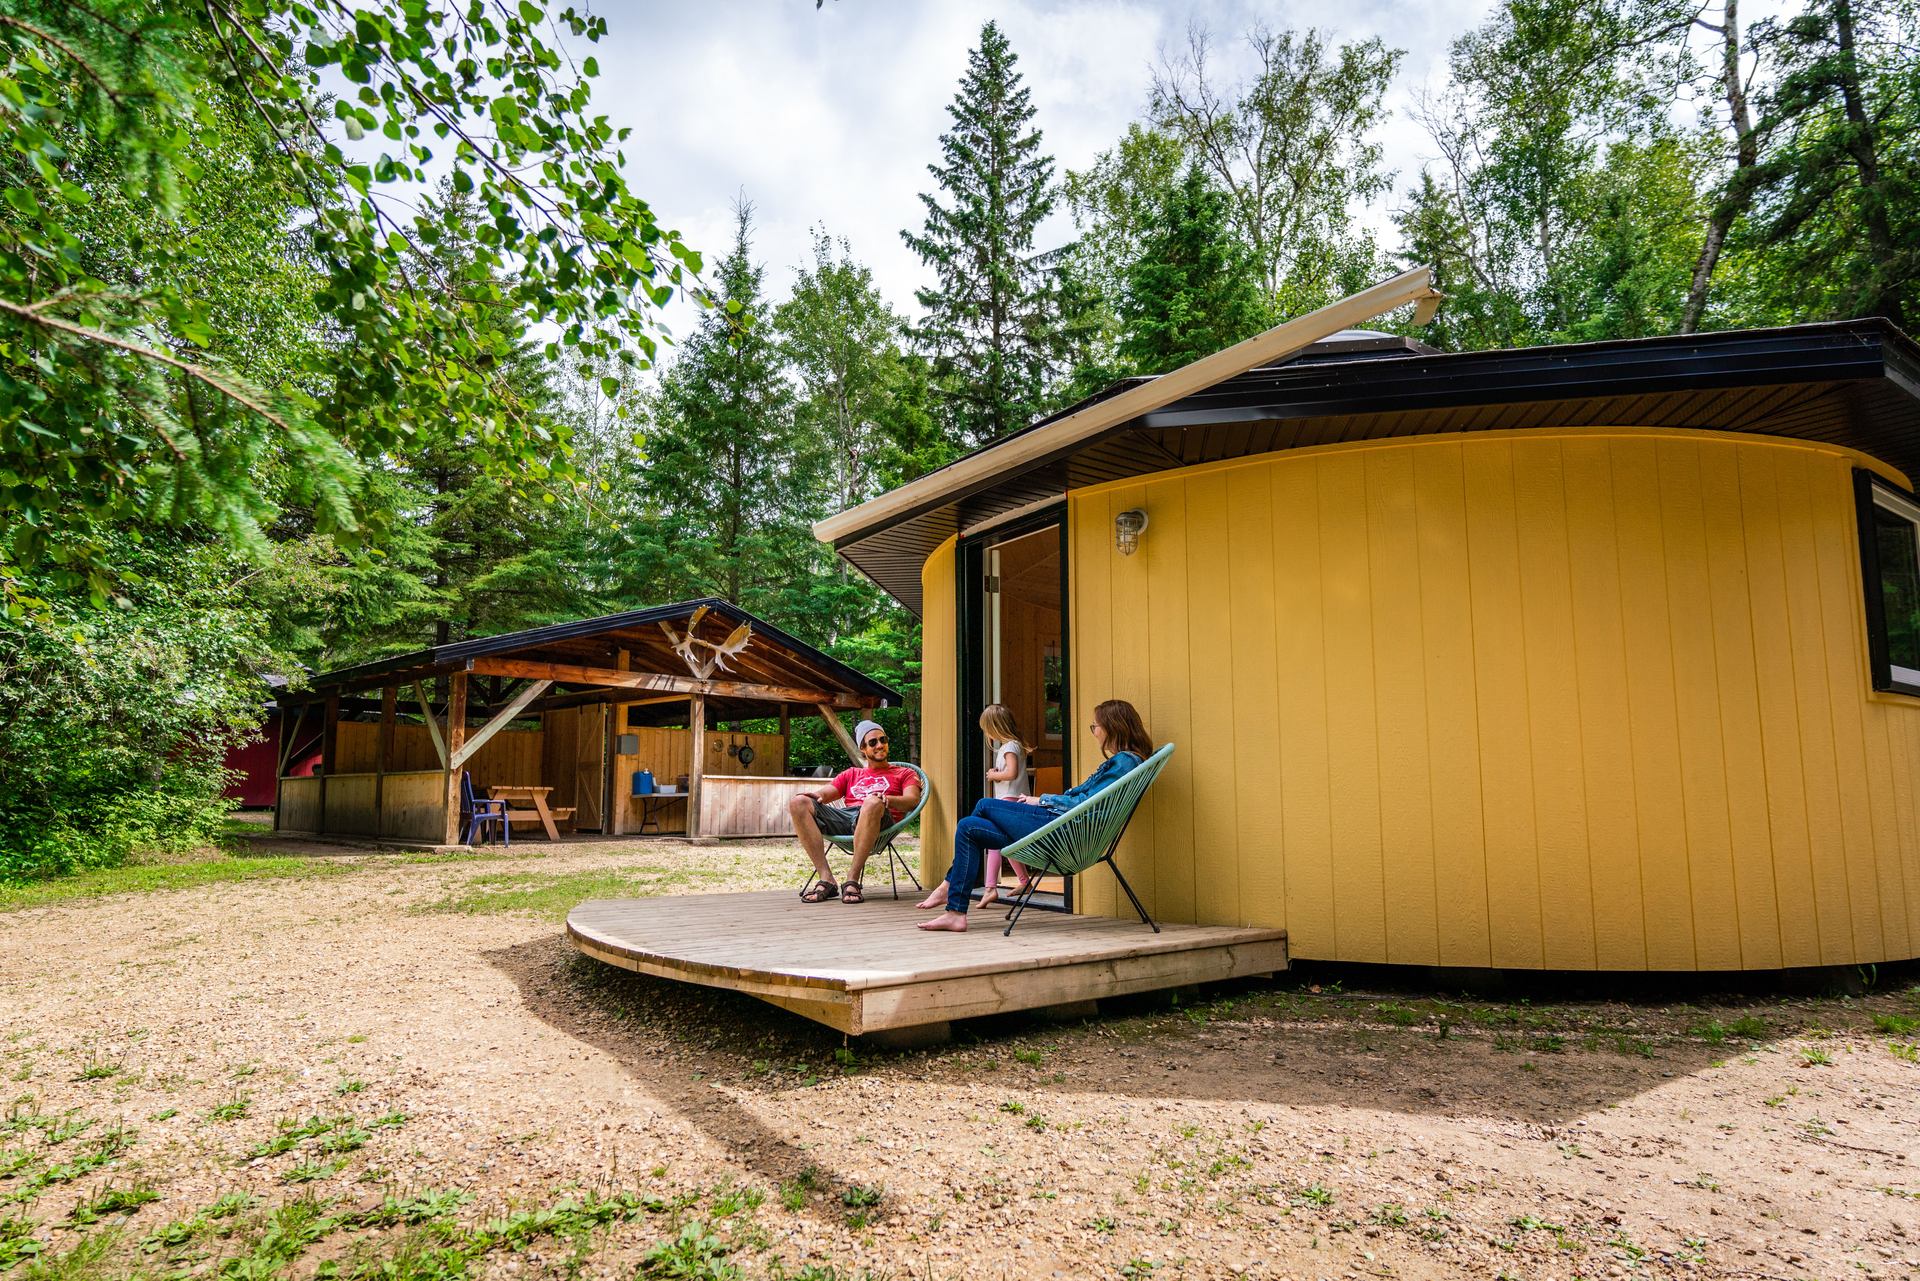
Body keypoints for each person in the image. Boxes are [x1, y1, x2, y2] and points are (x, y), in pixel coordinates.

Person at [917, 699, 1153, 933]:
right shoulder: (1126, 761)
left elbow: (1088, 803)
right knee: (968, 826)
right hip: (1061, 826)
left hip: (1062, 830)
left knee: (984, 805)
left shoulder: (1124, 762)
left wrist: (1042, 799)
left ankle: (950, 888)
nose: (1094, 732)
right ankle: (955, 912)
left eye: (1095, 726)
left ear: (1113, 727)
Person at [790, 719, 920, 905]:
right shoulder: (852, 773)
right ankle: (827, 879)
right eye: (873, 742)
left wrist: (886, 800)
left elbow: (912, 800)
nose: (880, 745)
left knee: (872, 803)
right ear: (863, 749)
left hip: (880, 817)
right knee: (798, 802)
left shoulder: (904, 773)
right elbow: (826, 793)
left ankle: (852, 880)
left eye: (883, 740)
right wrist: (817, 794)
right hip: (848, 818)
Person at [917, 704, 1030, 910]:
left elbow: (1011, 773)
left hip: (1009, 802)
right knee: (1007, 845)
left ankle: (989, 888)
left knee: (994, 844)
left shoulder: (1008, 747)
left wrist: (993, 775)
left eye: (987, 729)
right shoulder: (1014, 745)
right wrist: (999, 771)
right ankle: (1023, 881)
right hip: (1012, 801)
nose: (987, 733)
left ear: (995, 728)